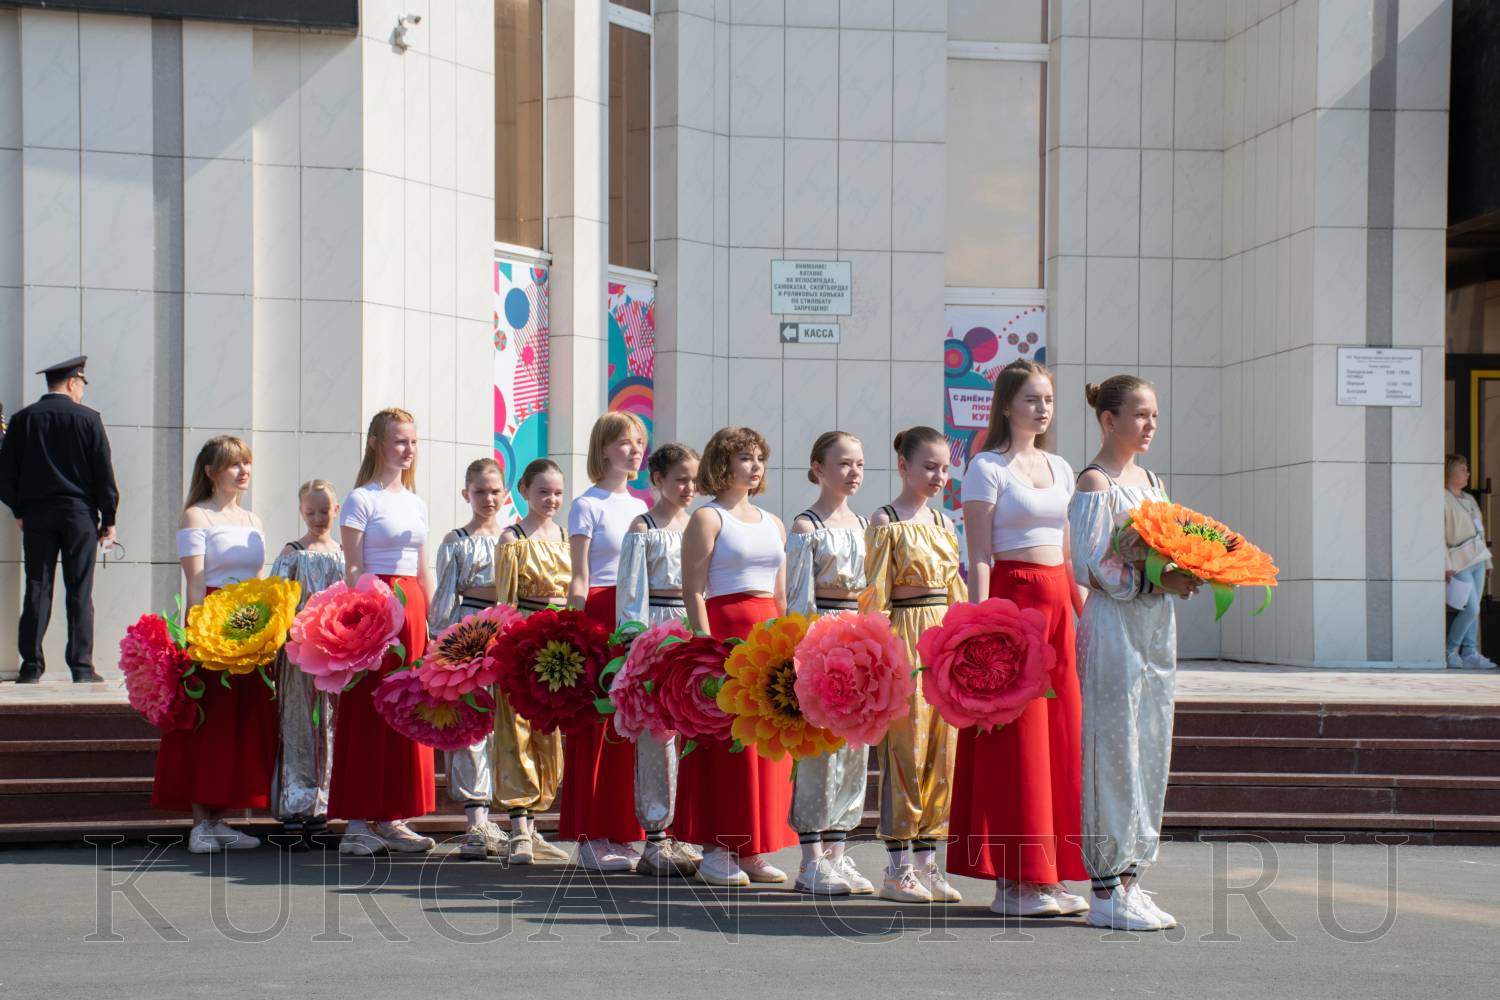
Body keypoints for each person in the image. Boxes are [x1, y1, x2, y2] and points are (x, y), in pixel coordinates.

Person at [951, 360, 1089, 917]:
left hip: (1058, 604)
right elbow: (979, 554)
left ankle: (1050, 875)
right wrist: (983, 622)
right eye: (1032, 399)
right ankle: (1013, 882)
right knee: (1016, 745)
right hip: (1012, 604)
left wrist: (1084, 612)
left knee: (1059, 740)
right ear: (1007, 405)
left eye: (1049, 399)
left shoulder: (1061, 466)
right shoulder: (986, 468)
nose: (1043, 408)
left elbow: (1070, 550)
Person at [1070, 375, 1197, 931]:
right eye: (1140, 415)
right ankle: (1105, 887)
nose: (1150, 425)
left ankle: (1132, 878)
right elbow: (1092, 564)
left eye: (1155, 415)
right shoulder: (1095, 482)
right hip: (1116, 624)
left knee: (1149, 742)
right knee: (1113, 743)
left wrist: (1189, 569)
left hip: (1154, 627)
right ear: (1108, 420)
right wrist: (1155, 582)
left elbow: (1170, 544)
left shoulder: (1152, 480)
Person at [678, 425, 797, 887]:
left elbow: (782, 596)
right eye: (745, 457)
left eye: (759, 457)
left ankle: (753, 846)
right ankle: (716, 849)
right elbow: (693, 589)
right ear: (723, 464)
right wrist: (706, 647)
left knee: (766, 744)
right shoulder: (708, 518)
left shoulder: (773, 522)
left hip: (768, 636)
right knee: (726, 744)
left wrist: (789, 644)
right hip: (725, 637)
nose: (755, 466)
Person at [151, 436, 274, 853]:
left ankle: (222, 817)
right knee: (210, 722)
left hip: (251, 627)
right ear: (210, 471)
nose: (243, 472)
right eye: (232, 464)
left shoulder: (254, 520)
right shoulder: (196, 517)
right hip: (212, 623)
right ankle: (200, 822)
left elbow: (258, 581)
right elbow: (196, 580)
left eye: (246, 464)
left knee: (242, 721)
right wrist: (196, 633)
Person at [861, 426, 967, 904]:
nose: (938, 476)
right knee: (905, 749)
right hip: (904, 637)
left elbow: (957, 593)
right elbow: (874, 596)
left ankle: (928, 862)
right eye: (928, 466)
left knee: (944, 752)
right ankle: (897, 867)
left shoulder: (947, 525)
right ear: (902, 465)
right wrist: (878, 655)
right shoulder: (884, 521)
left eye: (944, 468)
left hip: (941, 640)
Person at [330, 407, 437, 857]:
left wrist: (431, 624)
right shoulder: (361, 499)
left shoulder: (415, 501)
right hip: (375, 607)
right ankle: (357, 821)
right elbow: (353, 566)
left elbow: (423, 566)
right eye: (399, 441)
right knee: (367, 711)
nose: (407, 450)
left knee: (407, 710)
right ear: (376, 442)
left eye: (412, 441)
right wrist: (369, 618)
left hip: (411, 606)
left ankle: (393, 816)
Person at [784, 431, 875, 896]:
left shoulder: (863, 524)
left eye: (858, 464)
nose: (853, 472)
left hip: (860, 642)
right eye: (843, 463)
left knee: (854, 751)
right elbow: (798, 601)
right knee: (818, 752)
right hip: (822, 639)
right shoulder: (806, 527)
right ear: (818, 468)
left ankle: (839, 856)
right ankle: (811, 860)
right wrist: (805, 657)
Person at [562, 413, 650, 871]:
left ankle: (622, 829)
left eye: (639, 442)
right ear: (603, 449)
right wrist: (575, 630)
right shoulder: (586, 504)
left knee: (626, 726)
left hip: (633, 616)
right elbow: (578, 573)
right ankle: (590, 835)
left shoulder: (642, 505)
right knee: (594, 727)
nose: (635, 450)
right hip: (599, 614)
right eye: (624, 442)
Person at [0, 356, 118, 683]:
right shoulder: (89, 420)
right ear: (71, 383)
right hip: (79, 515)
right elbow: (103, 474)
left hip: (37, 515)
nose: (82, 392)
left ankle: (31, 667)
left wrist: (19, 510)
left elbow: (5, 474)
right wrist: (109, 517)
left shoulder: (23, 420)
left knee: (37, 587)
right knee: (80, 590)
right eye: (81, 385)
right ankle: (81, 667)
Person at [617, 443, 703, 878]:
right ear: (657, 481)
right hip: (657, 633)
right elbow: (632, 595)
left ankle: (688, 829)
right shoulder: (643, 527)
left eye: (693, 479)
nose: (688, 487)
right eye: (679, 479)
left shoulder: (701, 524)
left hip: (694, 631)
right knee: (657, 735)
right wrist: (636, 648)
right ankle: (655, 836)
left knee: (694, 732)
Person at [487, 459, 575, 864]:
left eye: (557, 492)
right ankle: (518, 827)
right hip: (522, 637)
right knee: (516, 727)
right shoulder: (512, 538)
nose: (551, 499)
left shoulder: (568, 537)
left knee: (549, 730)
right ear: (523, 490)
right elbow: (504, 602)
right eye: (543, 491)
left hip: (559, 640)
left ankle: (536, 823)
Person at [267, 480, 345, 850]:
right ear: (301, 511)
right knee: (298, 725)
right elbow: (277, 603)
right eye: (311, 511)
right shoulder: (292, 553)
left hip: (333, 656)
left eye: (325, 510)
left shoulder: (345, 555)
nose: (318, 518)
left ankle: (321, 808)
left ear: (336, 510)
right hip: (298, 656)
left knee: (328, 729)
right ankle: (293, 808)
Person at [1444, 454, 1495, 670]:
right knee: (1470, 608)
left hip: (1478, 559)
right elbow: (1439, 535)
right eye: (1463, 469)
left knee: (1475, 610)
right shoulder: (1442, 498)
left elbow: (1479, 531)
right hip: (1459, 561)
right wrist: (1446, 565)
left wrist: (1488, 561)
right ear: (1450, 472)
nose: (1468, 474)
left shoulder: (1469, 499)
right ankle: (1449, 650)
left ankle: (1470, 652)